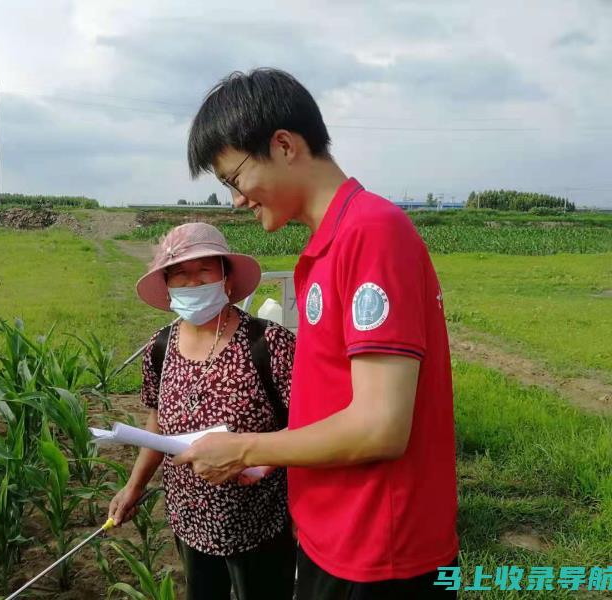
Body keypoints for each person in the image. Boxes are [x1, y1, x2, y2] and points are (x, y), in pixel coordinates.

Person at [173, 68, 459, 599]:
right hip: (335, 536)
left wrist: (246, 449)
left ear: (283, 145)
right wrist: (266, 452)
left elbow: (380, 427)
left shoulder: (371, 232)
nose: (236, 199)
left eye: (234, 178)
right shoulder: (327, 246)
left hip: (378, 554)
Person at [108, 222, 297, 600]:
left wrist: (264, 461)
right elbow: (157, 423)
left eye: (204, 270)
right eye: (180, 273)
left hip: (260, 518)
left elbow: (308, 423)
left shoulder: (268, 342)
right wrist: (134, 486)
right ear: (167, 285)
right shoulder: (160, 346)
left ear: (226, 278)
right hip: (190, 517)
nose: (193, 282)